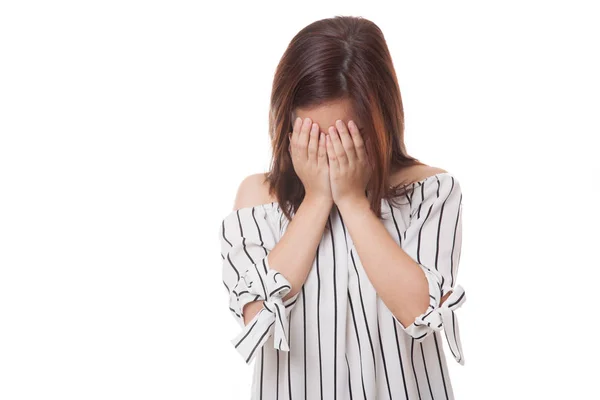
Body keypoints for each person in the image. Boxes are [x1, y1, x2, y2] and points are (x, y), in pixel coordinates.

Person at [219, 15, 466, 400]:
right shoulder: (257, 197)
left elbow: (420, 311)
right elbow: (256, 320)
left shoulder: (432, 191)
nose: (331, 155)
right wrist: (317, 199)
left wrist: (351, 201)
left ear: (381, 122)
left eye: (347, 138)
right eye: (313, 138)